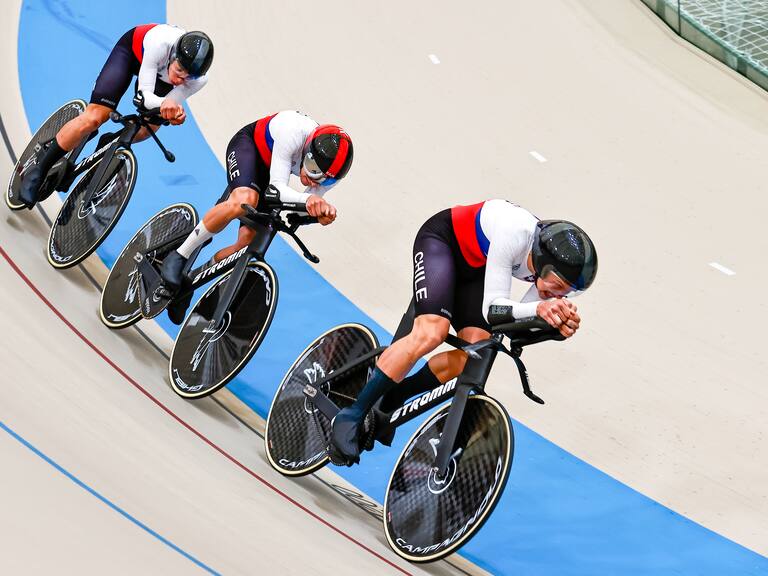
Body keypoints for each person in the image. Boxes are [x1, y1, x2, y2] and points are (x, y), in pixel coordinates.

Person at [329, 199, 598, 465]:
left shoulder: (546, 274)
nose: (558, 294)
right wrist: (541, 310)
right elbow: (494, 309)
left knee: (475, 355)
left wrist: (554, 328)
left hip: (476, 270)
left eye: (568, 292)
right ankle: (351, 415)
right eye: (558, 285)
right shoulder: (515, 233)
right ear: (541, 261)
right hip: (441, 243)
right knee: (432, 332)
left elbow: (514, 328)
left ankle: (393, 396)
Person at [159, 111, 354, 323]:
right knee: (245, 199)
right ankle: (178, 255)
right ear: (308, 151)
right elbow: (277, 189)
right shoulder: (293, 131)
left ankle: (190, 281)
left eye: (324, 181)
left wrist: (318, 215)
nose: (315, 182)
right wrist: (309, 201)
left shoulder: (331, 173)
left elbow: (298, 211)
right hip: (250, 148)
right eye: (313, 170)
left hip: (273, 171)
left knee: (247, 245)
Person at [18, 24, 214, 208]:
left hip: (160, 79)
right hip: (131, 55)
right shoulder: (159, 43)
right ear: (173, 56)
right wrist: (166, 106)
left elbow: (169, 103)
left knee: (147, 129)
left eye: (189, 77)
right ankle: (39, 169)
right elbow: (144, 97)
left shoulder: (199, 79)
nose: (180, 80)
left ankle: (109, 142)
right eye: (179, 70)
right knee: (94, 118)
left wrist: (173, 113)